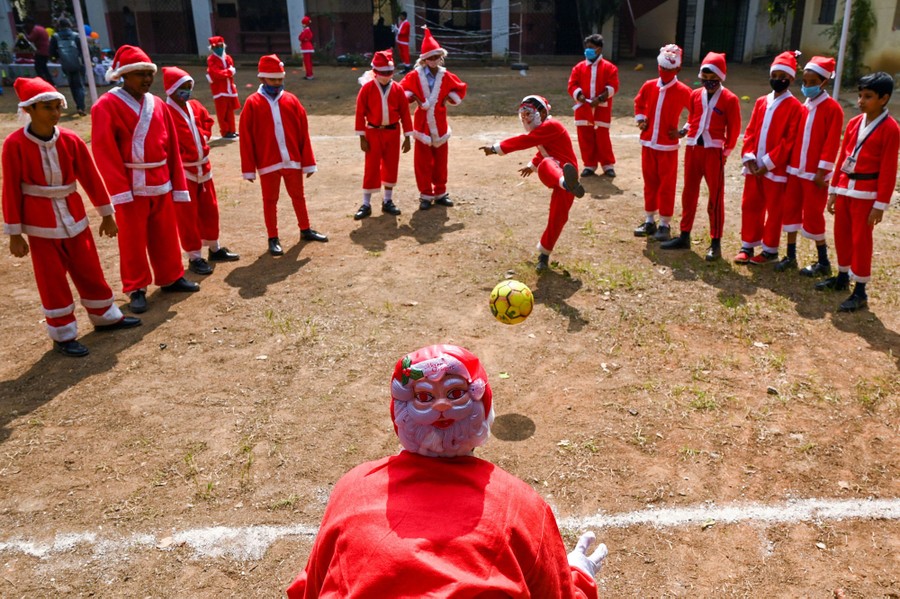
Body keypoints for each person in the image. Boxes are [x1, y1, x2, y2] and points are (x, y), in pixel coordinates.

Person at [285, 344, 607, 598]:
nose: (440, 407)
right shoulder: (521, 505)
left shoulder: (353, 489)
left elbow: (311, 590)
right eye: (425, 398)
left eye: (454, 394)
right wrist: (579, 576)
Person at [2, 77, 141, 357]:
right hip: (41, 226)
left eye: (57, 107)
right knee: (51, 279)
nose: (55, 113)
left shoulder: (71, 140)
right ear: (29, 110)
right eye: (47, 108)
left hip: (75, 218)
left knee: (89, 268)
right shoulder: (14, 145)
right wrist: (15, 234)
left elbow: (91, 177)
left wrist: (107, 214)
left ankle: (105, 315)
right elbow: (11, 190)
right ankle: (63, 333)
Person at [91, 45, 200, 314]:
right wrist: (119, 190)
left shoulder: (158, 104)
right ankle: (136, 287)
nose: (146, 80)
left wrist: (177, 184)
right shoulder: (106, 105)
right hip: (130, 185)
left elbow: (172, 147)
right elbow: (105, 151)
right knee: (132, 239)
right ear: (123, 75)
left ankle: (171, 276)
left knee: (165, 233)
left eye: (148, 74)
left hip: (161, 179)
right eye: (139, 74)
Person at [816, 72, 899, 312]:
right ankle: (842, 276)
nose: (861, 101)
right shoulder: (854, 123)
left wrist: (880, 204)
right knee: (841, 233)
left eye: (869, 97)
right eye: (860, 95)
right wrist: (833, 191)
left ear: (884, 99)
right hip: (845, 189)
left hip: (866, 193)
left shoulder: (891, 129)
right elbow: (843, 157)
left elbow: (888, 169)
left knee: (861, 240)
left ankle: (860, 289)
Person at [480, 95, 585, 274]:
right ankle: (565, 183)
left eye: (529, 114)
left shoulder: (552, 125)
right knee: (545, 164)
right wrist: (532, 165)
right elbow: (544, 149)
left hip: (564, 170)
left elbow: (525, 141)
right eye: (523, 115)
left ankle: (544, 254)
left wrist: (496, 148)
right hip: (559, 175)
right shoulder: (543, 130)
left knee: (558, 218)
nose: (526, 119)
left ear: (543, 112)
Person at [239, 54, 327, 256]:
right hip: (267, 163)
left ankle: (305, 229)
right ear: (262, 79)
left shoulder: (292, 100)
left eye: (280, 79)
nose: (277, 83)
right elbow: (246, 138)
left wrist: (308, 163)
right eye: (273, 80)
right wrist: (249, 170)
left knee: (298, 196)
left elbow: (303, 133)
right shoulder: (252, 103)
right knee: (270, 200)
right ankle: (273, 237)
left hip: (293, 161)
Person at [661, 51, 742, 261]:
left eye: (712, 79)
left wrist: (726, 152)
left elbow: (734, 129)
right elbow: (693, 117)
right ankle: (684, 235)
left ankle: (715, 242)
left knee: (715, 197)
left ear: (720, 77)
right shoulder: (696, 95)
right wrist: (683, 131)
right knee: (689, 193)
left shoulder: (730, 99)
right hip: (693, 149)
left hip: (714, 151)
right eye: (704, 79)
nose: (708, 83)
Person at [162, 67, 240, 276]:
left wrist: (204, 136)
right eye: (182, 88)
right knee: (187, 214)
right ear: (171, 89)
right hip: (183, 172)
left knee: (210, 208)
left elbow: (207, 121)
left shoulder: (194, 106)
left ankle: (214, 247)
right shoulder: (164, 111)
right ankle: (195, 256)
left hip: (203, 167)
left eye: (189, 87)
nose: (186, 92)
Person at [734, 51, 803, 265]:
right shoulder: (761, 102)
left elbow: (789, 141)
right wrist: (750, 157)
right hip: (754, 167)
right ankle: (748, 244)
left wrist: (767, 164)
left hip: (775, 169)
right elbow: (751, 130)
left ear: (791, 79)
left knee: (774, 209)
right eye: (774, 75)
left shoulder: (795, 107)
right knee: (750, 204)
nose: (777, 79)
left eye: (783, 75)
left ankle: (770, 250)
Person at [777, 56, 844, 275]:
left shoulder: (833, 109)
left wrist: (822, 171)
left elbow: (831, 142)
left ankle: (823, 260)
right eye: (804, 82)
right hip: (795, 169)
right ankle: (790, 254)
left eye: (812, 82)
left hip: (815, 173)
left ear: (824, 82)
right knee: (791, 210)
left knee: (814, 214)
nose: (807, 86)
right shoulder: (803, 107)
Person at [400, 27, 467, 211]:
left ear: (441, 57)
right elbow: (402, 91)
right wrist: (411, 96)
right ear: (423, 59)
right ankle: (425, 194)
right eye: (430, 58)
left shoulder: (445, 75)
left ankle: (440, 192)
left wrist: (449, 98)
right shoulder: (414, 75)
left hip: (440, 123)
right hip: (422, 125)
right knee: (422, 162)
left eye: (437, 57)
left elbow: (460, 88)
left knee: (441, 161)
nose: (434, 61)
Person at [632, 44, 692, 242]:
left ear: (678, 69)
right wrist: (641, 119)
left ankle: (665, 223)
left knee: (667, 184)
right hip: (648, 143)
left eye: (669, 69)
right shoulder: (649, 85)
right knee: (650, 182)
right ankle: (650, 220)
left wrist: (683, 131)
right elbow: (639, 102)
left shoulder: (684, 91)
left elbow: (697, 112)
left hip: (668, 147)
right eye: (662, 68)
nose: (664, 72)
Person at [353, 50, 412, 220]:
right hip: (372, 132)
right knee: (371, 166)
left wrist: (408, 137)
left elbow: (405, 114)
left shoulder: (398, 89)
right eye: (382, 73)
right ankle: (366, 203)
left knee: (391, 164)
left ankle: (388, 201)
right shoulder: (367, 88)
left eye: (389, 73)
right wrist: (362, 137)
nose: (386, 76)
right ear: (375, 72)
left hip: (392, 132)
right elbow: (359, 113)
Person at [567, 33, 619, 178]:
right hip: (583, 109)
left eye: (591, 48)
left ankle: (608, 165)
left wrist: (601, 97)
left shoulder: (610, 68)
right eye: (587, 48)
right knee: (585, 137)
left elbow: (614, 86)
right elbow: (572, 85)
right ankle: (589, 165)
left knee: (602, 138)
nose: (588, 51)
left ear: (599, 49)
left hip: (602, 109)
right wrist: (580, 96)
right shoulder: (578, 67)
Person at [49, 18, 86, 116]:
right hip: (78, 64)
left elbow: (52, 52)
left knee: (73, 86)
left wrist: (56, 58)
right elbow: (84, 50)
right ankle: (81, 106)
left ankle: (78, 104)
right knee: (79, 86)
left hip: (66, 64)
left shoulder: (55, 37)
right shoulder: (76, 36)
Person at [205, 36, 240, 139]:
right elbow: (216, 73)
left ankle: (232, 130)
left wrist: (228, 73)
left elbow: (229, 70)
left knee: (230, 110)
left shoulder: (228, 58)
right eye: (216, 47)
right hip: (219, 89)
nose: (219, 49)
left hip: (229, 88)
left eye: (221, 46)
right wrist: (229, 72)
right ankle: (225, 131)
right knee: (222, 112)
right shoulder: (211, 59)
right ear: (212, 48)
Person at [23, 17, 53, 85]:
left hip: (41, 51)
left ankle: (43, 81)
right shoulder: (40, 28)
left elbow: (30, 39)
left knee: (38, 67)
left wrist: (24, 34)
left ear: (30, 24)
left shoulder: (35, 30)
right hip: (45, 50)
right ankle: (49, 81)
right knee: (43, 67)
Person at [299, 16, 314, 80]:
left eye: (303, 23)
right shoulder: (308, 30)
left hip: (306, 47)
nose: (302, 25)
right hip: (308, 46)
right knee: (308, 62)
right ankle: (309, 74)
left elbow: (300, 38)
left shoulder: (306, 30)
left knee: (307, 62)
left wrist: (304, 38)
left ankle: (309, 75)